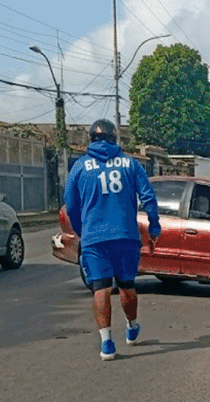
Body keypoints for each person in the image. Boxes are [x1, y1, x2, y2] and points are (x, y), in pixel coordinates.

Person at [64, 119, 160, 361]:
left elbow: (71, 205)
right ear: (114, 137)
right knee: (127, 285)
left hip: (95, 239)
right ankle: (132, 326)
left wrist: (82, 231)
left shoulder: (80, 167)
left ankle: (106, 343)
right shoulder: (131, 164)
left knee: (101, 288)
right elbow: (148, 196)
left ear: (91, 139)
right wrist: (154, 227)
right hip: (126, 236)